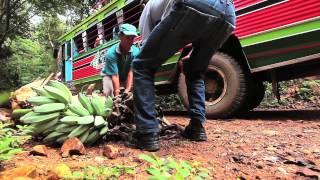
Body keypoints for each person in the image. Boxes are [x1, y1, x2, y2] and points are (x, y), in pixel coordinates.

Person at [130, 0, 236, 151]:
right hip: (228, 13)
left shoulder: (148, 8)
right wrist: (193, 56)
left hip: (194, 4)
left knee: (142, 66)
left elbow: (148, 51)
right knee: (195, 71)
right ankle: (197, 127)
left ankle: (146, 134)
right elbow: (206, 21)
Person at [101, 23, 139, 97]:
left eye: (132, 38)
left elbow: (131, 72)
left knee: (138, 87)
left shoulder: (136, 52)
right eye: (128, 38)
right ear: (120, 36)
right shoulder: (111, 53)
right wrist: (117, 95)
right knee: (109, 91)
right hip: (109, 75)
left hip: (125, 74)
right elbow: (115, 75)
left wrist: (127, 90)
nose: (130, 42)